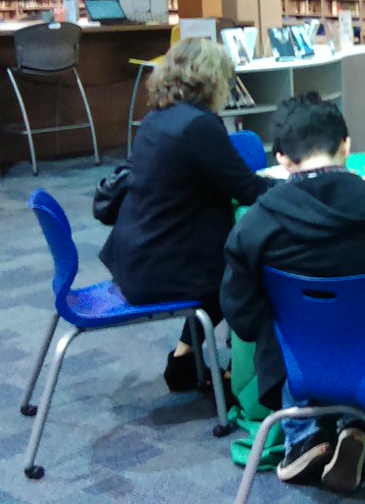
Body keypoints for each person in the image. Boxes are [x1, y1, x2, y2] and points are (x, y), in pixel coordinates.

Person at [220, 94, 365, 493]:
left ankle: (305, 433)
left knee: (281, 334)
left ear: (282, 160)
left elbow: (240, 313)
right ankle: (358, 427)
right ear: (347, 145)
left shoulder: (257, 221)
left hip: (297, 363)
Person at [99, 38, 273, 393]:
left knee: (227, 260)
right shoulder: (199, 126)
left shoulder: (155, 119)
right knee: (248, 269)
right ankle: (251, 378)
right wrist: (305, 185)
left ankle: (183, 359)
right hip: (164, 267)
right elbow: (247, 189)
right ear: (213, 79)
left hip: (138, 257)